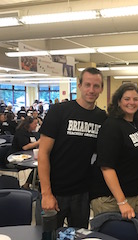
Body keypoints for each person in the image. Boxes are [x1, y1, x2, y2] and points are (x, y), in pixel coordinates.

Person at [38, 67, 107, 229]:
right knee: (49, 236)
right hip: (55, 191)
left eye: (96, 86)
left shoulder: (102, 117)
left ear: (101, 89)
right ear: (80, 85)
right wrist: (46, 193)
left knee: (78, 235)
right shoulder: (59, 111)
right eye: (87, 85)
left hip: (82, 193)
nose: (91, 90)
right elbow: (43, 153)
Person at [90, 83, 138, 219]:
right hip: (112, 199)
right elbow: (106, 167)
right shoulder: (112, 126)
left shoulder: (136, 124)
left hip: (136, 194)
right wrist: (122, 201)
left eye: (135, 99)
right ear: (118, 101)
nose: (131, 103)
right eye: (127, 99)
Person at [9, 116, 40, 189]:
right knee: (38, 167)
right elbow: (25, 147)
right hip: (16, 158)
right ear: (29, 124)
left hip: (28, 156)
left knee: (41, 165)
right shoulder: (21, 133)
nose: (36, 125)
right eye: (35, 123)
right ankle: (27, 184)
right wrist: (39, 142)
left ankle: (29, 183)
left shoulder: (30, 133)